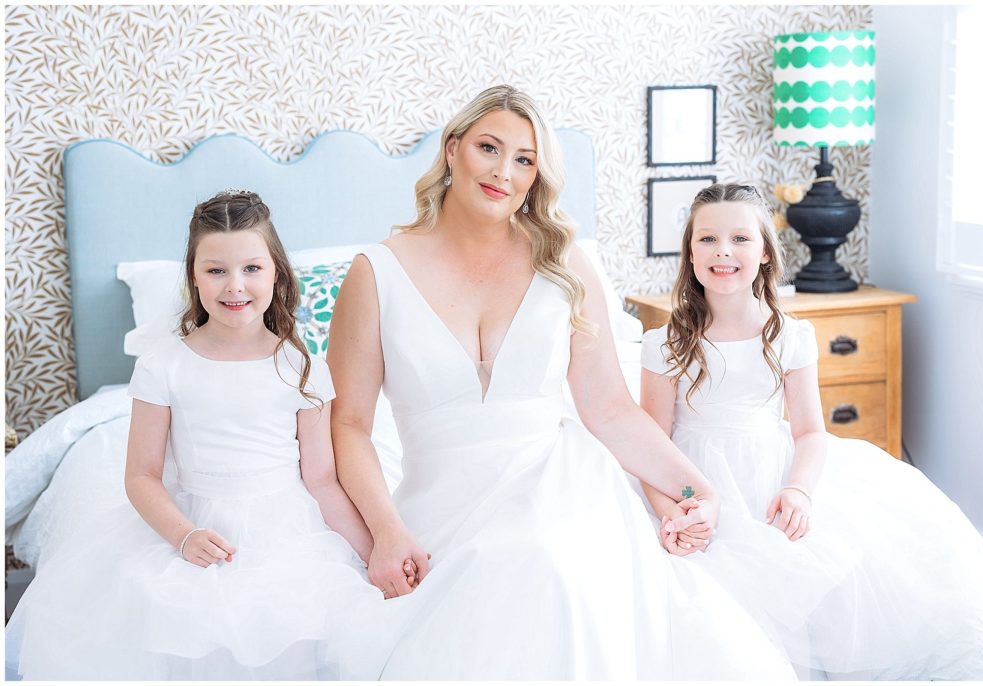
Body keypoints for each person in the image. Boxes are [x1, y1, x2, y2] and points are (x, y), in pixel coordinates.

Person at [326, 85, 798, 679]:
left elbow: (609, 408)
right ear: (452, 150)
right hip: (438, 500)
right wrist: (387, 534)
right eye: (488, 148)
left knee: (546, 563)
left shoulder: (566, 264)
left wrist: (696, 491)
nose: (504, 172)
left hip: (558, 483)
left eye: (525, 160)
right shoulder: (376, 272)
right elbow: (349, 426)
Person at [5, 191, 387, 680]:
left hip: (287, 530)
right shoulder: (164, 364)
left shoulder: (301, 367)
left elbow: (323, 481)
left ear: (276, 273)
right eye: (215, 270)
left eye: (252, 268)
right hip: (193, 523)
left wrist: (372, 553)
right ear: (193, 276)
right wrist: (182, 536)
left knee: (292, 632)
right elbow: (141, 475)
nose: (235, 286)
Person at [639, 182, 983, 679]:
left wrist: (799, 491)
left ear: (766, 253)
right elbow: (650, 445)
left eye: (740, 238)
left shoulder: (789, 336)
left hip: (770, 475)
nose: (723, 250)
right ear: (689, 252)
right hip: (690, 480)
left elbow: (811, 432)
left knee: (796, 578)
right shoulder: (665, 343)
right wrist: (672, 515)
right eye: (707, 239)